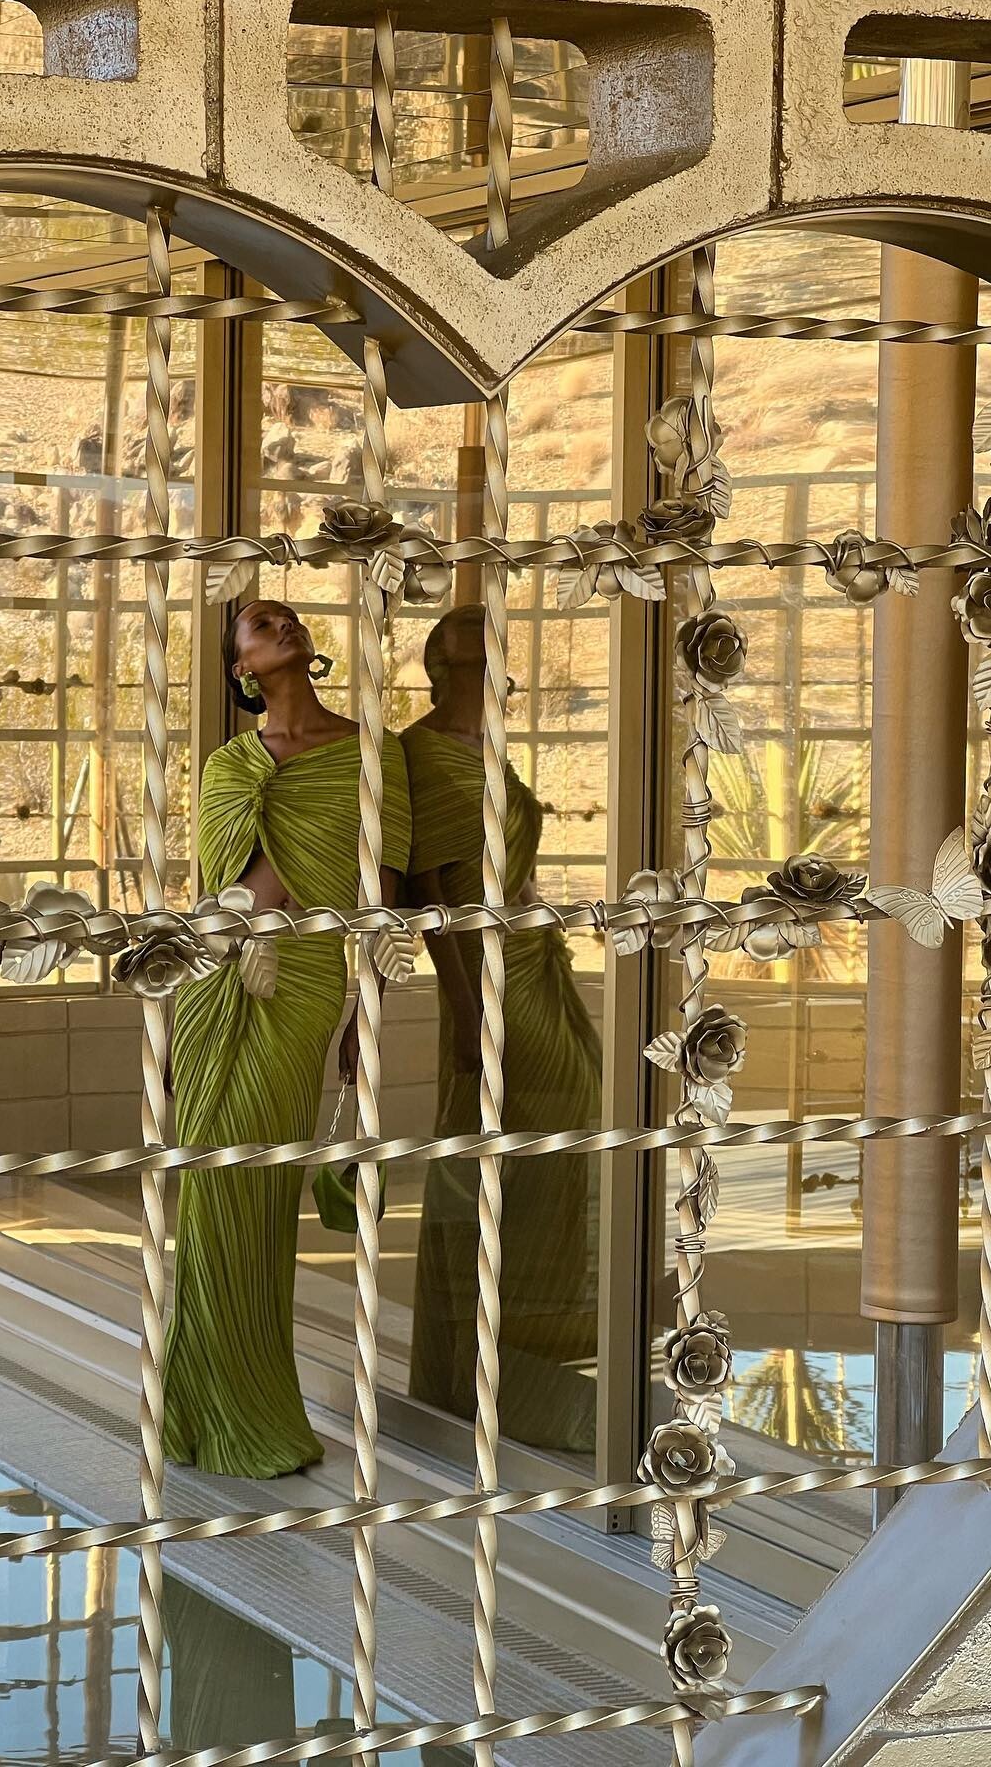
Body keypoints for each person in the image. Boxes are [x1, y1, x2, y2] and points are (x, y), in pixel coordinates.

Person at [163, 599, 411, 1478]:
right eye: (262, 626)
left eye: (289, 619)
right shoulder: (228, 765)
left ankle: (252, 1407)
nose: (283, 627)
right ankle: (202, 1409)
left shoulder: (373, 753)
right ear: (241, 668)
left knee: (260, 1188)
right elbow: (214, 889)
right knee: (206, 1190)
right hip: (212, 983)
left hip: (303, 980)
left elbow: (383, 896)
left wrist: (365, 1014)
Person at [403, 605, 603, 1453]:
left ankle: (530, 1352)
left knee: (563, 1125)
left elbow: (507, 868)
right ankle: (480, 1368)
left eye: (498, 665)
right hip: (486, 973)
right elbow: (430, 899)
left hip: (531, 958)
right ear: (441, 670)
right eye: (476, 664)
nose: (493, 678)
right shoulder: (420, 755)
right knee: (498, 1144)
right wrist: (465, 1010)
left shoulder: (488, 751)